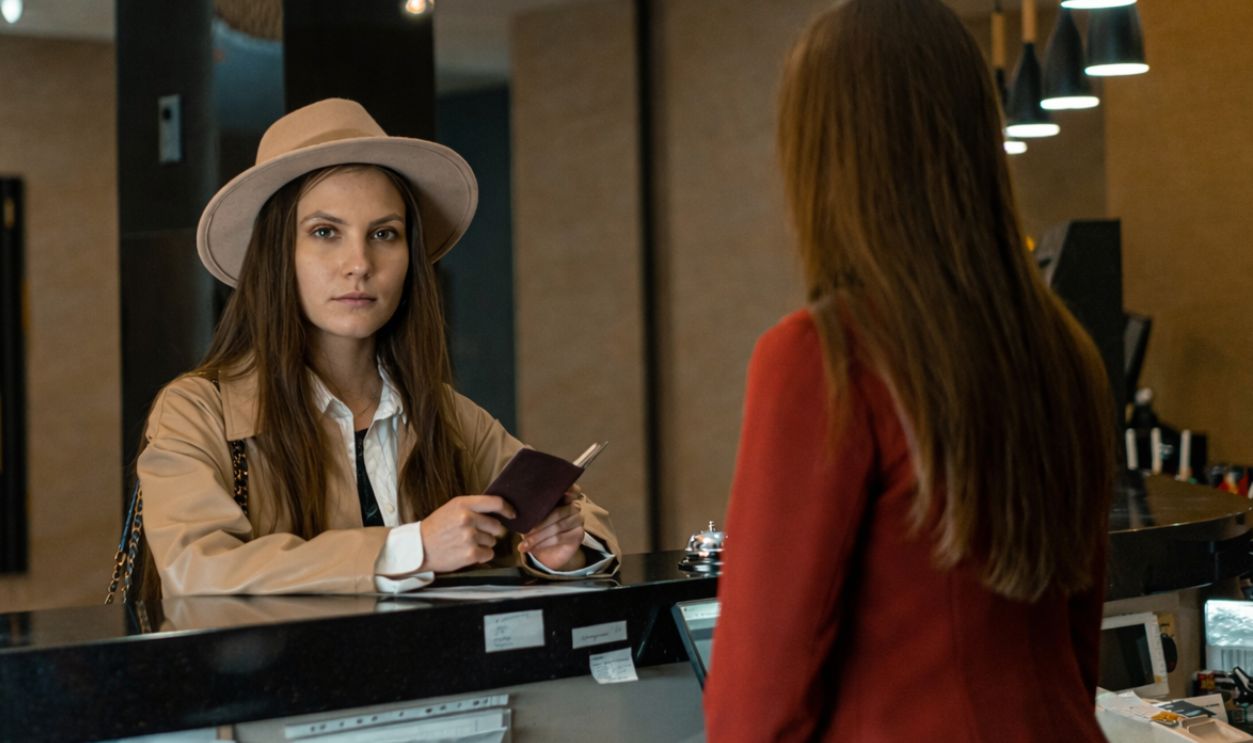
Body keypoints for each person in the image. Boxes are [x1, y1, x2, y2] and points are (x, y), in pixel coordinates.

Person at [703, 1, 1115, 740]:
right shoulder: (1065, 351)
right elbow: (1077, 646)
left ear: (822, 153)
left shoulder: (823, 356)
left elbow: (756, 699)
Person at [137, 98, 619, 596]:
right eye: (325, 232)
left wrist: (564, 552)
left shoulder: (445, 415)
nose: (359, 263)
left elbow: (585, 517)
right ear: (276, 255)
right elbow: (195, 569)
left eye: (384, 234)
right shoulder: (196, 413)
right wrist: (413, 549)